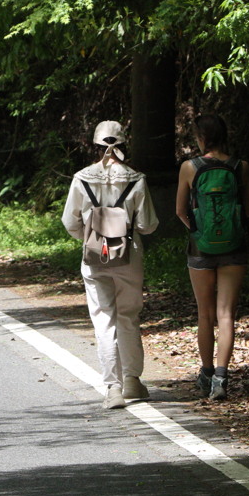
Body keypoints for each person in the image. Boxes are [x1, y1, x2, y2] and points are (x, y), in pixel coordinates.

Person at [62, 120, 159, 409]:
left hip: (94, 256)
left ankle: (112, 388)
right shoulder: (135, 178)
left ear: (95, 144)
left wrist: (90, 238)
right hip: (129, 255)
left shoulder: (82, 178)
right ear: (123, 143)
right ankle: (132, 381)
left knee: (103, 318)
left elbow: (70, 221)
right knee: (128, 315)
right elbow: (148, 224)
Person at [175, 114, 249, 400]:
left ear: (201, 138)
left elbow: (180, 212)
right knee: (226, 315)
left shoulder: (189, 167)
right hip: (234, 248)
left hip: (200, 249)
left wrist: (198, 232)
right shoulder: (240, 167)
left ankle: (206, 373)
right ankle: (222, 377)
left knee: (205, 314)